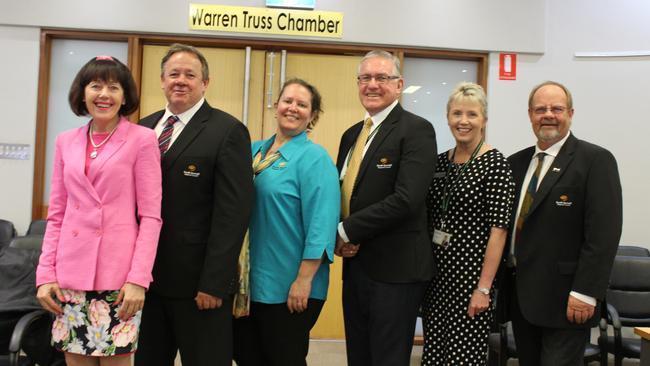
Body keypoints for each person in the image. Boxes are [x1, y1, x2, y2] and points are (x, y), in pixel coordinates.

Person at [35, 56, 162, 365]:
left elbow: (150, 216)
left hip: (119, 281)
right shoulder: (66, 142)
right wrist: (45, 274)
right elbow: (57, 215)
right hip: (70, 277)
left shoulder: (142, 140)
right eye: (95, 86)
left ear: (124, 96)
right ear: (82, 93)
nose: (104, 95)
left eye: (113, 87)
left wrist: (138, 279)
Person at [135, 43, 253, 366]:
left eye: (190, 74)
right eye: (174, 74)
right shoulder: (143, 128)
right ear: (162, 80)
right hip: (145, 284)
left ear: (205, 83)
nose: (181, 81)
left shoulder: (227, 131)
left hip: (199, 290)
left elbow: (233, 214)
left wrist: (214, 283)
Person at [500, 81, 622, 366]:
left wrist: (586, 292)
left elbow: (603, 235)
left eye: (556, 108)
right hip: (521, 297)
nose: (548, 115)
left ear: (571, 113)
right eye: (540, 109)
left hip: (567, 299)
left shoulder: (595, 161)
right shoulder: (515, 163)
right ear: (530, 114)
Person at [335, 50, 437, 366]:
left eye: (382, 77)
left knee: (387, 358)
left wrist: (346, 230)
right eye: (365, 78)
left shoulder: (416, 130)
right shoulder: (351, 135)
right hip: (356, 268)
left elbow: (406, 199)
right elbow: (345, 194)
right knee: (359, 356)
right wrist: (337, 235)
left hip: (396, 272)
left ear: (399, 84)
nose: (372, 85)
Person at [232, 78, 340, 366]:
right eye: (288, 101)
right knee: (247, 357)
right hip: (248, 285)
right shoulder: (252, 151)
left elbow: (323, 225)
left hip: (289, 285)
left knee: (283, 358)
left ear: (313, 115)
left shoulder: (315, 158)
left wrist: (303, 281)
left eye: (302, 104)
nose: (293, 108)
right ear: (276, 105)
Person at [421, 82, 515, 365]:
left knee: (464, 357)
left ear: (484, 120)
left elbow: (499, 231)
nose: (463, 121)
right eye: (457, 113)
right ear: (448, 117)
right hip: (436, 279)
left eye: (472, 114)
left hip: (471, 281)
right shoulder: (439, 162)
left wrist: (483, 288)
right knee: (434, 353)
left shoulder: (495, 165)